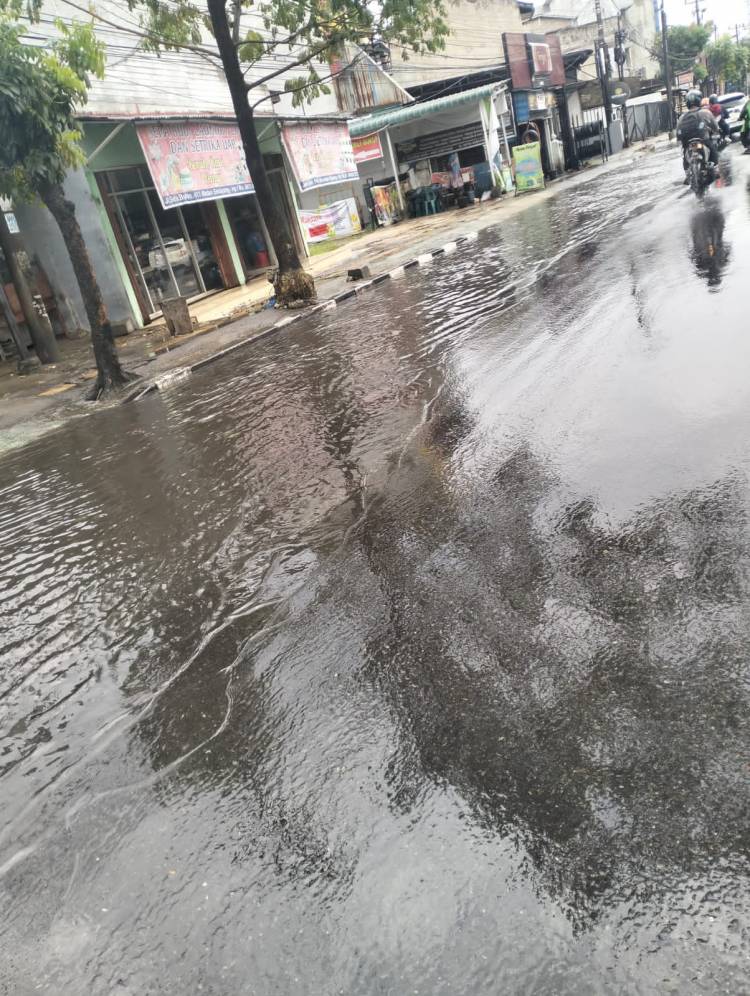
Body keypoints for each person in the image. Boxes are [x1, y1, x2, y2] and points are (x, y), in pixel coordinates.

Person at [676, 89, 720, 181]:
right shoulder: (705, 112)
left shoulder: (682, 117)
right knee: (713, 148)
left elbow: (678, 134)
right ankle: (715, 169)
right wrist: (716, 132)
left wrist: (680, 140)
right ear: (699, 100)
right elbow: (715, 126)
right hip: (703, 139)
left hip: (687, 142)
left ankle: (687, 174)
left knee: (685, 154)